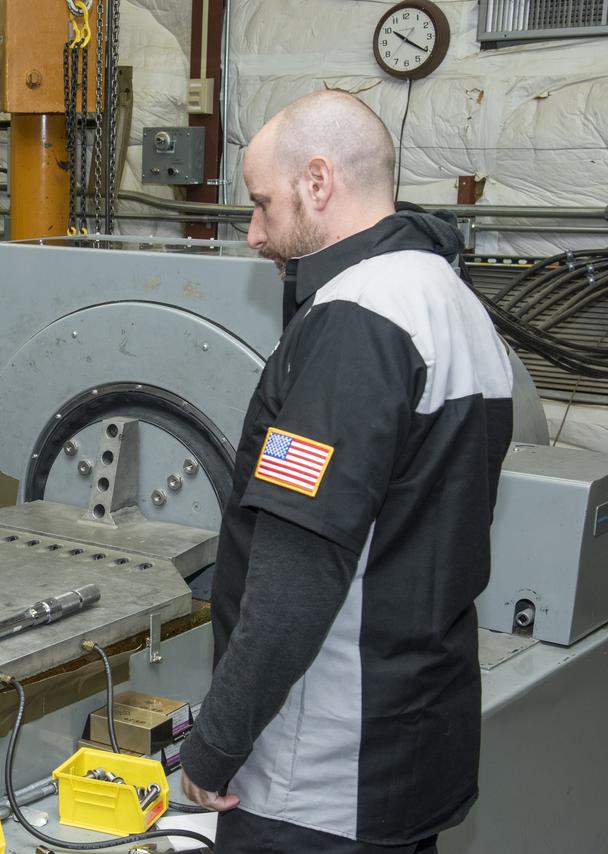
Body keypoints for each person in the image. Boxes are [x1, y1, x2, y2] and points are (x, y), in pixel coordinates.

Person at [176, 90, 514, 852]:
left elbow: (299, 573)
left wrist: (215, 743)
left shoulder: (356, 322)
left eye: (262, 203)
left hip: (319, 777)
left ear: (318, 181)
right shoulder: (454, 303)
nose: (255, 234)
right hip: (411, 749)